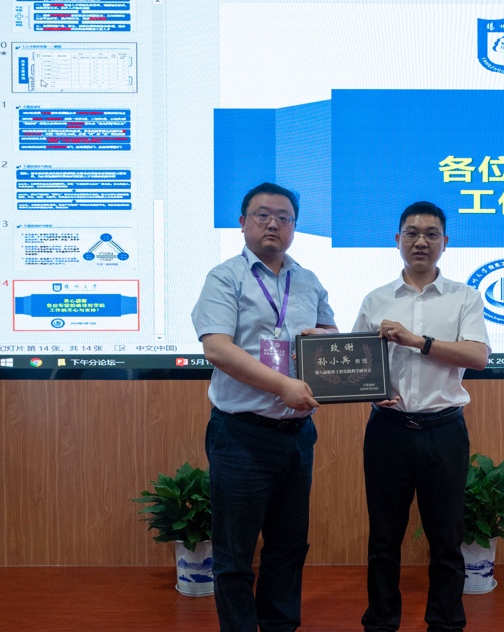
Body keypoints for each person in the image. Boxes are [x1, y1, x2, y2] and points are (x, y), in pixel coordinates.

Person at [191, 182, 338, 632]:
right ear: (242, 222)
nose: (273, 224)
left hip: (297, 436)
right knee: (235, 554)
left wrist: (325, 341)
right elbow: (217, 348)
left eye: (284, 217)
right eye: (262, 215)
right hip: (242, 435)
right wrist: (282, 385)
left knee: (288, 547)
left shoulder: (308, 280)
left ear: (294, 226)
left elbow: (332, 336)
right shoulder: (225, 278)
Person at [352, 201, 491, 632]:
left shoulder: (464, 297)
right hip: (388, 431)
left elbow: (478, 356)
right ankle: (381, 622)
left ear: (445, 242)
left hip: (443, 430)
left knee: (446, 539)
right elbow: (356, 362)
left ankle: (446, 623)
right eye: (411, 233)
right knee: (383, 539)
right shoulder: (376, 300)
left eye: (431, 234)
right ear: (397, 240)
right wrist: (374, 387)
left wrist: (417, 341)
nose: (421, 241)